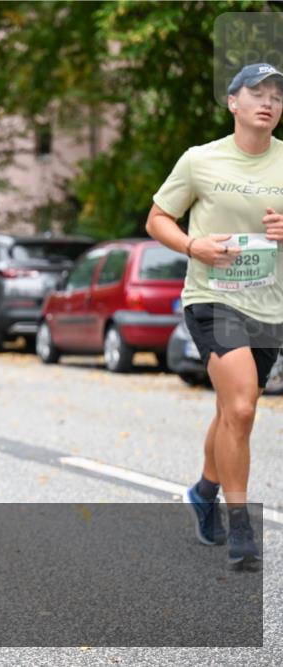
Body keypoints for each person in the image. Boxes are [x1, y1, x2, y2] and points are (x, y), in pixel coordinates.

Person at [146, 62, 283, 570]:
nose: (267, 101)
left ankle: (204, 491)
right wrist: (191, 244)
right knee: (244, 407)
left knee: (232, 408)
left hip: (271, 303)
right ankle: (241, 525)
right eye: (257, 92)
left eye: (276, 95)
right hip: (212, 297)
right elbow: (157, 218)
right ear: (234, 103)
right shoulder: (200, 160)